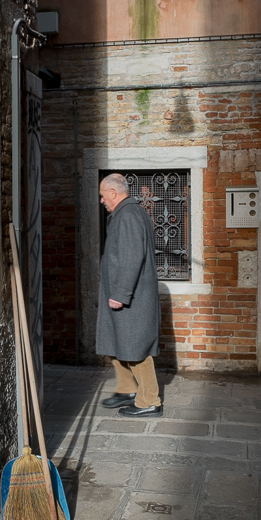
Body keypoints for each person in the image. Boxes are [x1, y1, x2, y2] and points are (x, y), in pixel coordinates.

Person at [96, 173, 162, 417]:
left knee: (135, 347)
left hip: (131, 296)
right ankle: (127, 389)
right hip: (124, 293)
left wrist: (121, 293)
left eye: (103, 195)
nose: (102, 200)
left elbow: (132, 256)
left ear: (113, 193)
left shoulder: (129, 215)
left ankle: (149, 401)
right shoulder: (125, 213)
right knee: (118, 341)